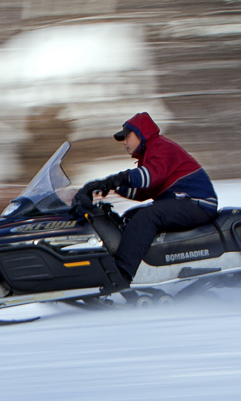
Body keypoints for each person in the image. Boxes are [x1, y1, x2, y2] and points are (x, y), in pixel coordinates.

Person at [85, 112, 218, 287]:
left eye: (126, 136)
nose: (124, 142)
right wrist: (111, 187)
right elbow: (143, 191)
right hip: (182, 202)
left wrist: (119, 178)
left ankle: (122, 273)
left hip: (197, 202)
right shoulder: (148, 156)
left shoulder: (160, 146)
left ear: (140, 133)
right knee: (129, 217)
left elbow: (151, 176)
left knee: (147, 217)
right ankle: (139, 267)